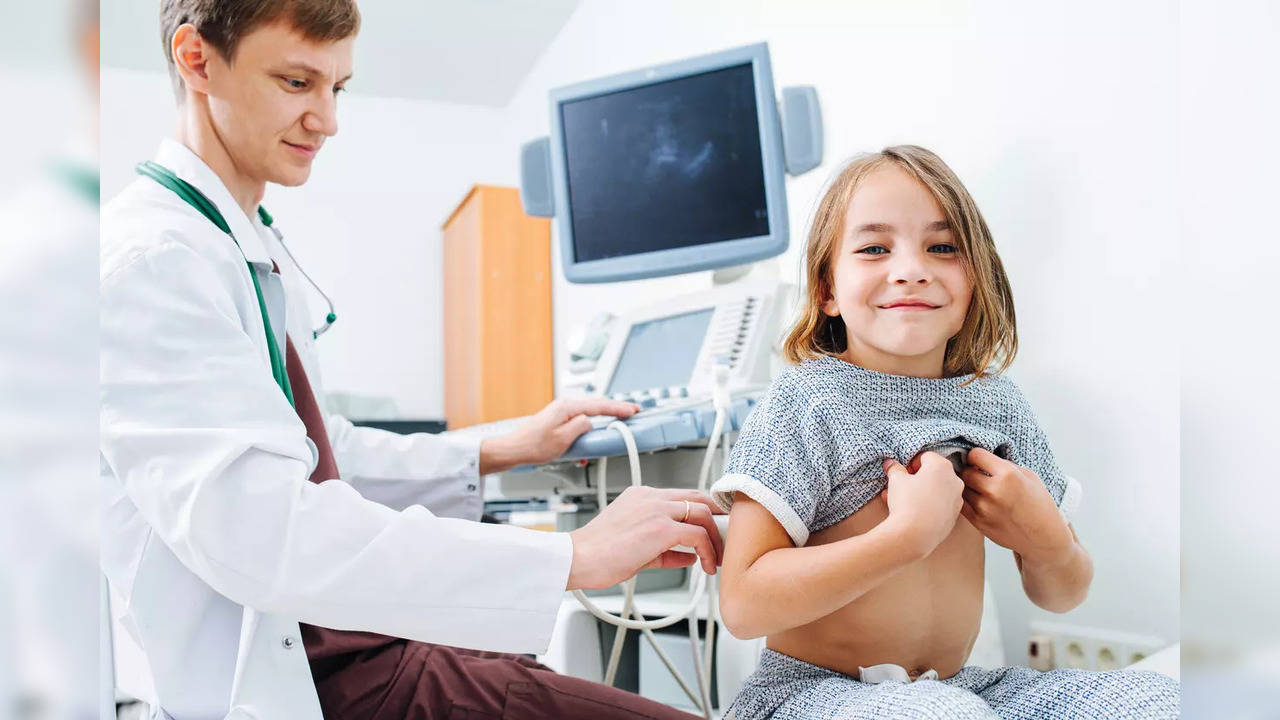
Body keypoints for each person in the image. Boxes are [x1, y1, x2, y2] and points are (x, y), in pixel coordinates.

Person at [100, 1, 719, 717]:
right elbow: (264, 534)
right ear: (196, 58)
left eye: (338, 88)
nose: (328, 120)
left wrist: (504, 445)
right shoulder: (150, 263)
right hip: (320, 684)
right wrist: (574, 557)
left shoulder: (242, 243)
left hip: (366, 642)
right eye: (297, 83)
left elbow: (326, 455)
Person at [710, 146, 1180, 718]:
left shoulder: (998, 405)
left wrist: (1045, 537)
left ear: (975, 283)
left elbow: (1063, 592)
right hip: (808, 696)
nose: (911, 268)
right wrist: (905, 538)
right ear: (827, 289)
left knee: (1162, 701)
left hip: (958, 690)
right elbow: (743, 604)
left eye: (942, 247)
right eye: (874, 248)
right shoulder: (804, 403)